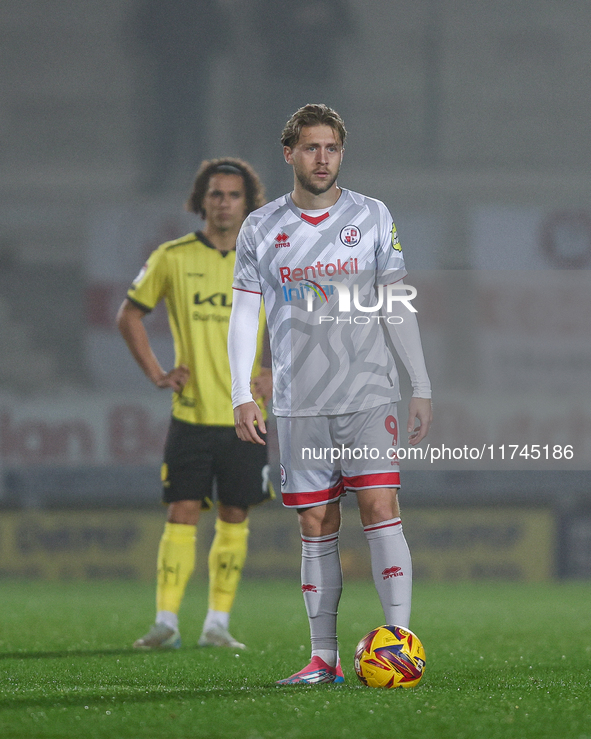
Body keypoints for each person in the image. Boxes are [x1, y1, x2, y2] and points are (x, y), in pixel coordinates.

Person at [228, 104, 432, 683]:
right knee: (315, 525)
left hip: (368, 394)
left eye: (333, 149)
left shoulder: (371, 216)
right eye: (312, 148)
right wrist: (242, 391)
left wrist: (421, 384)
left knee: (381, 510)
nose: (323, 159)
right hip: (298, 404)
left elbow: (397, 301)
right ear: (289, 153)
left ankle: (401, 647)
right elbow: (245, 315)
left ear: (342, 153)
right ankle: (325, 659)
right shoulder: (261, 227)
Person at [117, 158, 272, 650]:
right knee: (182, 511)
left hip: (245, 417)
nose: (224, 202)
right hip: (191, 414)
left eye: (233, 195)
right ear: (201, 200)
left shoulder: (266, 261)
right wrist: (158, 373)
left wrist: (277, 370)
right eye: (216, 194)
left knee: (234, 515)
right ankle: (166, 622)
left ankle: (217, 625)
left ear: (248, 203)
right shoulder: (173, 256)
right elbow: (129, 315)